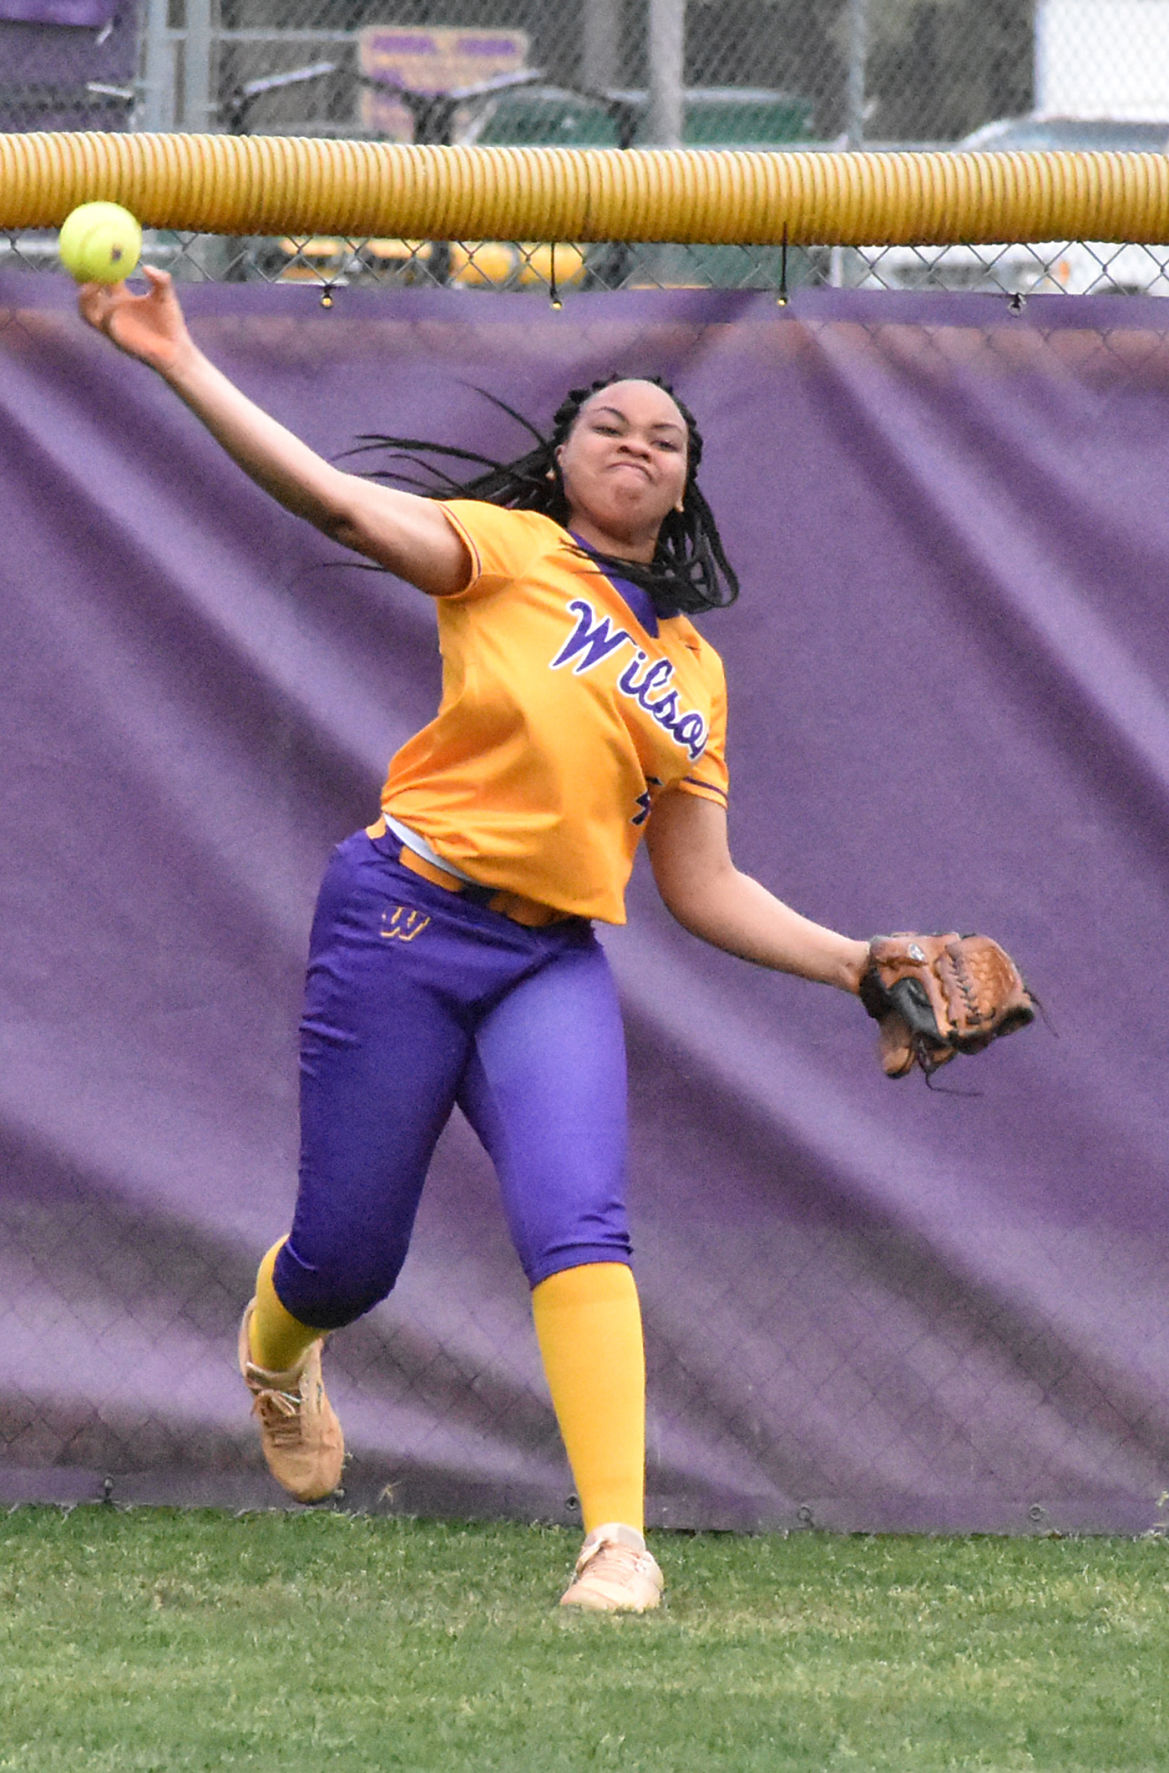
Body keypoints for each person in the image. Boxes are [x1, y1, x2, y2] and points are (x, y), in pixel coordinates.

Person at [80, 267, 871, 1613]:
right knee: (348, 1255)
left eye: (663, 436)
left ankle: (616, 1539)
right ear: (563, 461)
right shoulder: (503, 556)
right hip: (401, 919)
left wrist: (861, 963)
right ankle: (278, 1346)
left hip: (547, 959)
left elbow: (703, 886)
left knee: (581, 1223)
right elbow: (332, 499)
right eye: (609, 424)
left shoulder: (691, 670)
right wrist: (178, 359)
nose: (636, 441)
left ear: (682, 487)